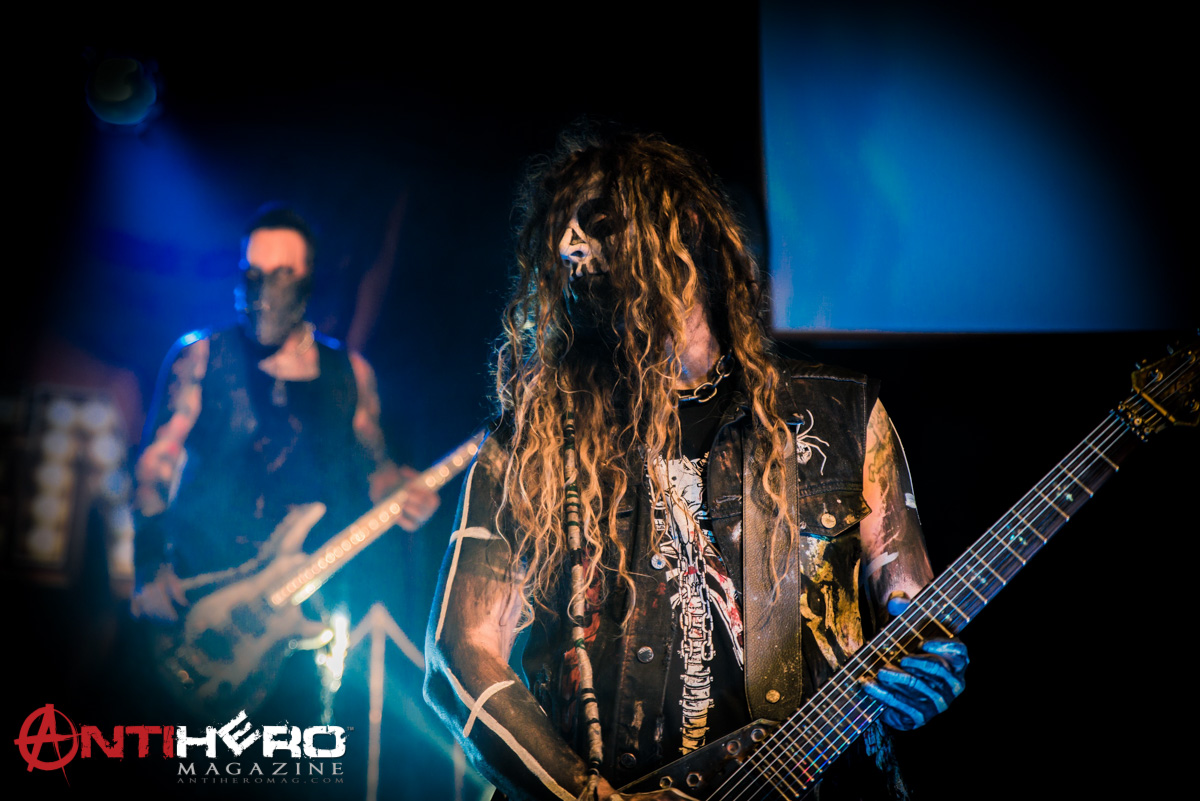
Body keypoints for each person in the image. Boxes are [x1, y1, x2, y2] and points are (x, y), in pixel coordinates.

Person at [423, 130, 967, 801]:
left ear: (683, 227)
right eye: (561, 232)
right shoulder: (533, 441)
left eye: (598, 222)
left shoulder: (841, 414)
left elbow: (912, 614)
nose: (569, 247)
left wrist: (927, 671)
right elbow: (461, 655)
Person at [130, 205, 440, 718]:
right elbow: (155, 466)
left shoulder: (349, 374)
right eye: (252, 274)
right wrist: (148, 562)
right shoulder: (202, 356)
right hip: (199, 600)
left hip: (301, 611)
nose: (264, 291)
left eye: (281, 275)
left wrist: (403, 494)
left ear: (307, 279)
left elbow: (377, 468)